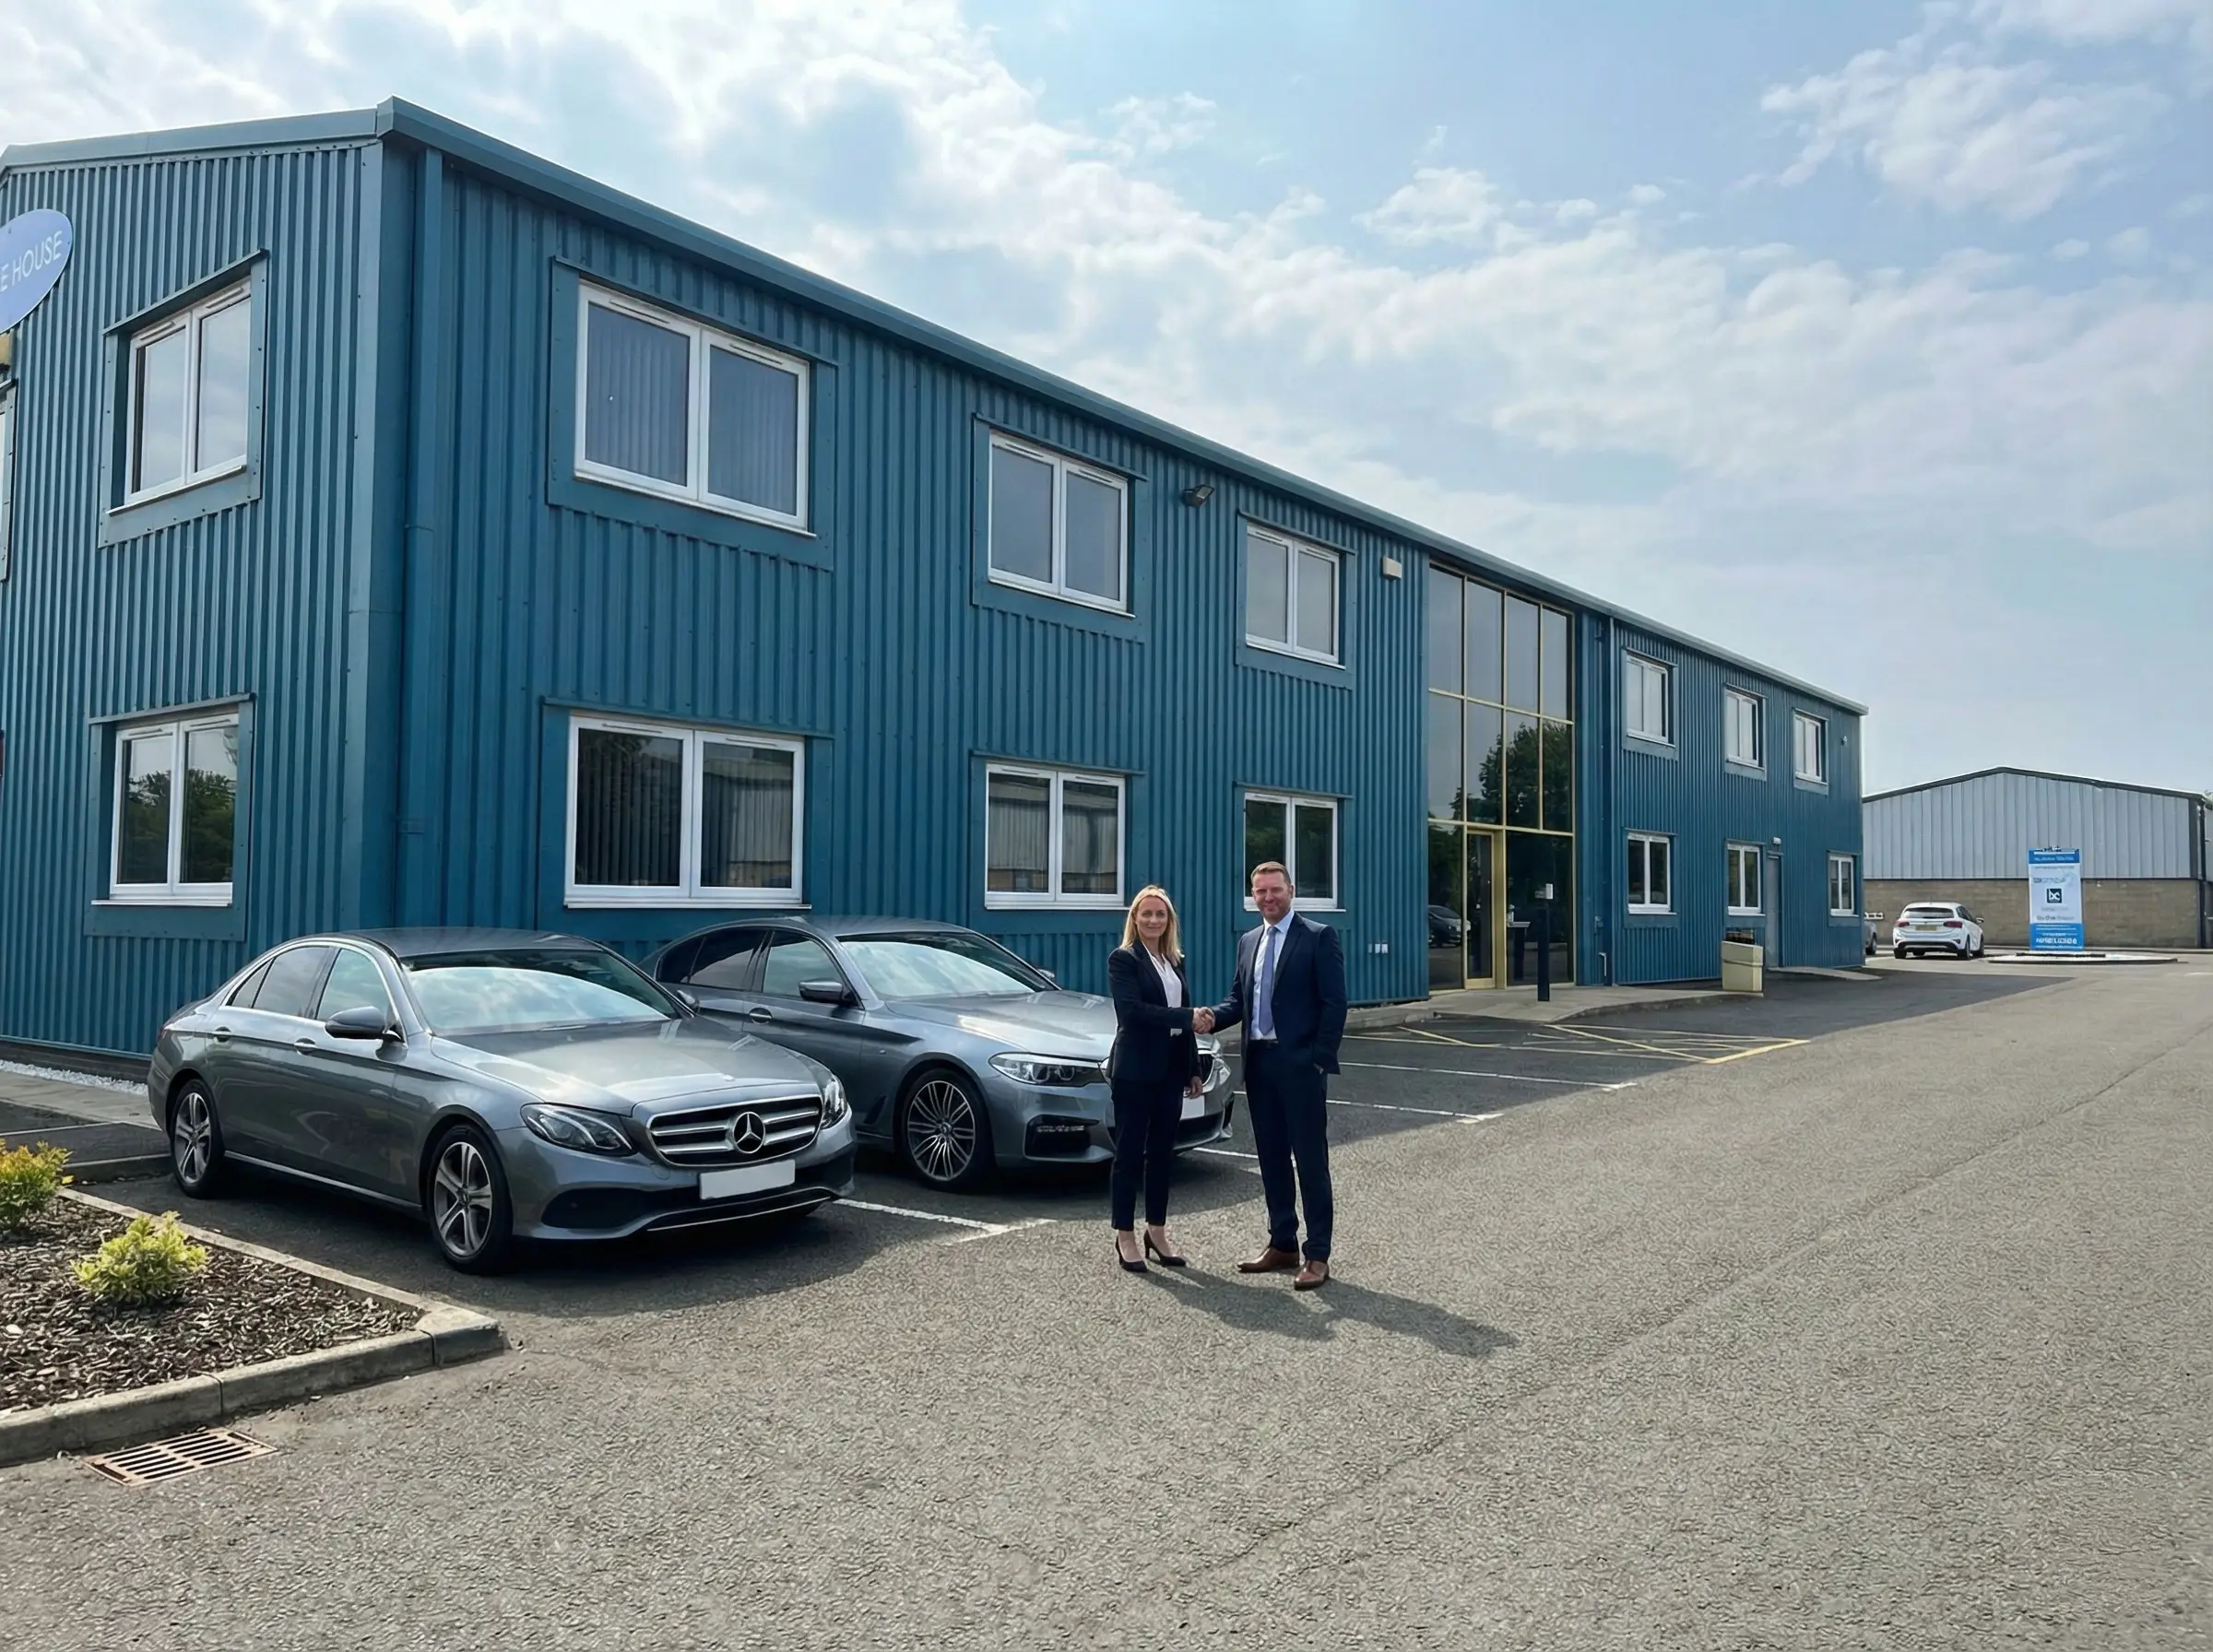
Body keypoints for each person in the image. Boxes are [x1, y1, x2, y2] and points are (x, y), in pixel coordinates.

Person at [1199, 861, 1347, 1289]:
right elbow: (1238, 999)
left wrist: (1318, 1059)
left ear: (1291, 891)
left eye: (1275, 890)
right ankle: (1282, 1242)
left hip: (1300, 1066)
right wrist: (1211, 1017)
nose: (1268, 897)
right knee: (1272, 1158)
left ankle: (1317, 1254)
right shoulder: (1249, 941)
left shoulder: (1318, 937)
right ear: (1253, 895)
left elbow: (1335, 1002)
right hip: (1260, 1065)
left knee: (1310, 1161)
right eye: (1260, 891)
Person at [1106, 885, 1208, 1273]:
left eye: (1160, 914)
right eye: (1146, 913)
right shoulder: (1124, 959)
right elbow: (1132, 1012)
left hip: (1170, 1070)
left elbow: (1183, 1016)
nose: (1153, 920)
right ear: (1134, 918)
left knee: (1163, 1153)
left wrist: (1193, 1067)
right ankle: (1125, 1234)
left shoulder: (1174, 961)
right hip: (1135, 1070)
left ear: (1169, 921)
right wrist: (1186, 1017)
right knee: (1130, 1153)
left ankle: (1157, 1231)